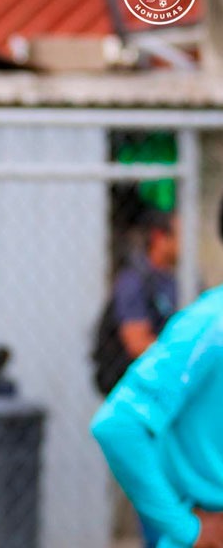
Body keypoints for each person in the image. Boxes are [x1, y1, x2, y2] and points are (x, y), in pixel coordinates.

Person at [91, 194, 223, 548]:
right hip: (159, 425)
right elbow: (117, 422)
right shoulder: (207, 324)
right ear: (159, 238)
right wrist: (189, 530)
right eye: (179, 233)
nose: (186, 243)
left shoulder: (184, 283)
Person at [94, 210, 179, 396]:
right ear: (159, 237)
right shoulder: (133, 280)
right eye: (180, 235)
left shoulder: (179, 280)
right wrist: (182, 354)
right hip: (133, 385)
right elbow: (137, 344)